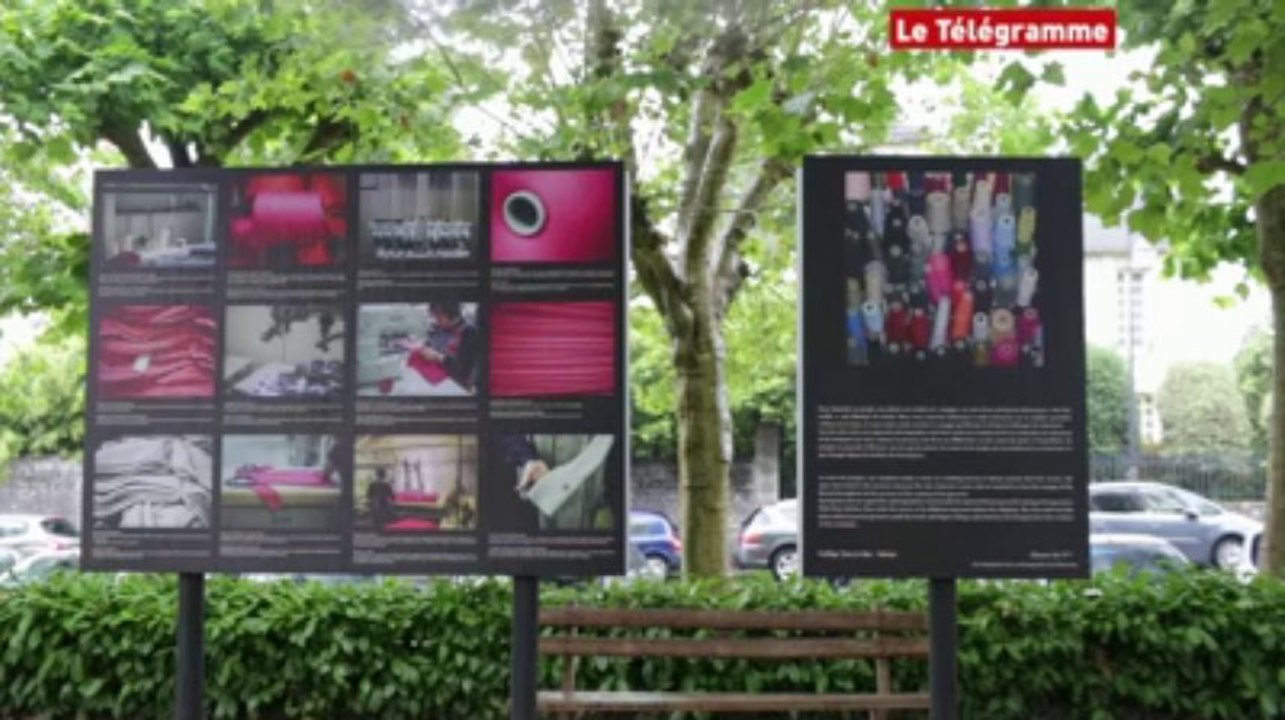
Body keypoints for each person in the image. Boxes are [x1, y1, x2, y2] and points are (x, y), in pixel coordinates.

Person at [404, 301, 479, 390]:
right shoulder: (442, 329)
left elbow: (462, 369)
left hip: (455, 385)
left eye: (438, 317)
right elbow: (431, 344)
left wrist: (437, 356)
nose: (436, 321)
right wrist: (422, 347)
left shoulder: (469, 333)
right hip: (437, 379)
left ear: (447, 315)